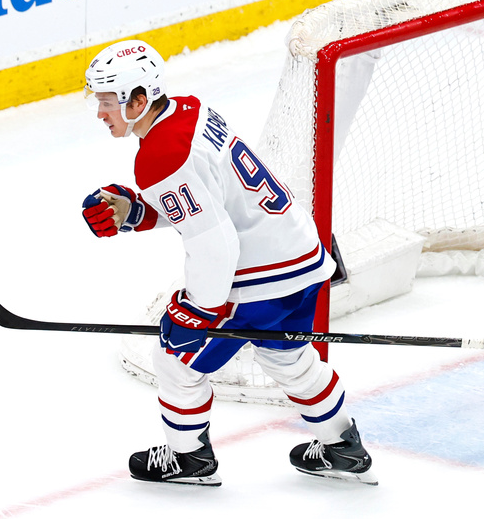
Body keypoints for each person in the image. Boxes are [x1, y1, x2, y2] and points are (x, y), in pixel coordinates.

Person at [80, 38, 375, 486]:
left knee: (175, 360)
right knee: (288, 359)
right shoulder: (189, 110)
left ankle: (189, 459)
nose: (100, 113)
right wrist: (138, 211)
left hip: (259, 280)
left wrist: (198, 311)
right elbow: (208, 202)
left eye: (107, 102)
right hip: (301, 254)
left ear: (138, 101)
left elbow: (214, 244)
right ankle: (342, 446)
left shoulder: (161, 156)